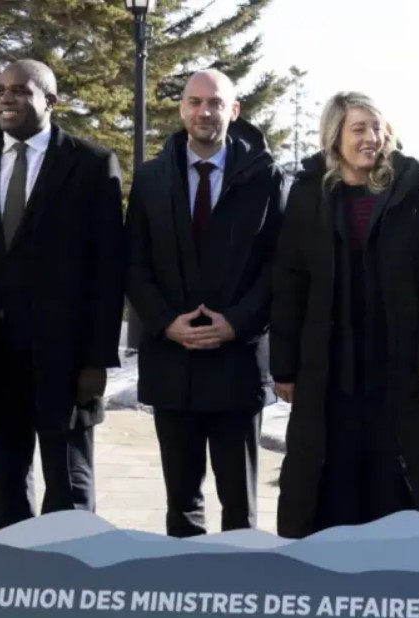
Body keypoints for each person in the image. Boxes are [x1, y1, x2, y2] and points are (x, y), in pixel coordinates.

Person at [0, 59, 125, 531]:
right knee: (3, 490)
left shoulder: (91, 165)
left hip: (62, 363)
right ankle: (10, 585)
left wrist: (97, 359)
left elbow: (108, 271)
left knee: (70, 492)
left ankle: (68, 590)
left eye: (19, 90)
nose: (5, 99)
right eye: (0, 91)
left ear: (50, 101)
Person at [270, 92, 419, 539]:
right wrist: (284, 365)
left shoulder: (413, 187)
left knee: (402, 483)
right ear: (335, 136)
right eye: (359, 129)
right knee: (328, 485)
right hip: (329, 371)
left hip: (399, 368)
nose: (371, 138)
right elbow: (289, 282)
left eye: (377, 128)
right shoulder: (307, 193)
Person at [125, 69, 286, 537]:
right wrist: (163, 322)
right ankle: (185, 592)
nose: (204, 112)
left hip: (236, 363)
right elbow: (133, 263)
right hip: (172, 362)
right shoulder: (152, 178)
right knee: (182, 502)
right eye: (195, 102)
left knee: (240, 505)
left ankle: (241, 595)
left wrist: (237, 323)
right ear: (182, 109)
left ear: (233, 112)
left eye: (215, 103)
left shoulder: (265, 178)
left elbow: (279, 266)